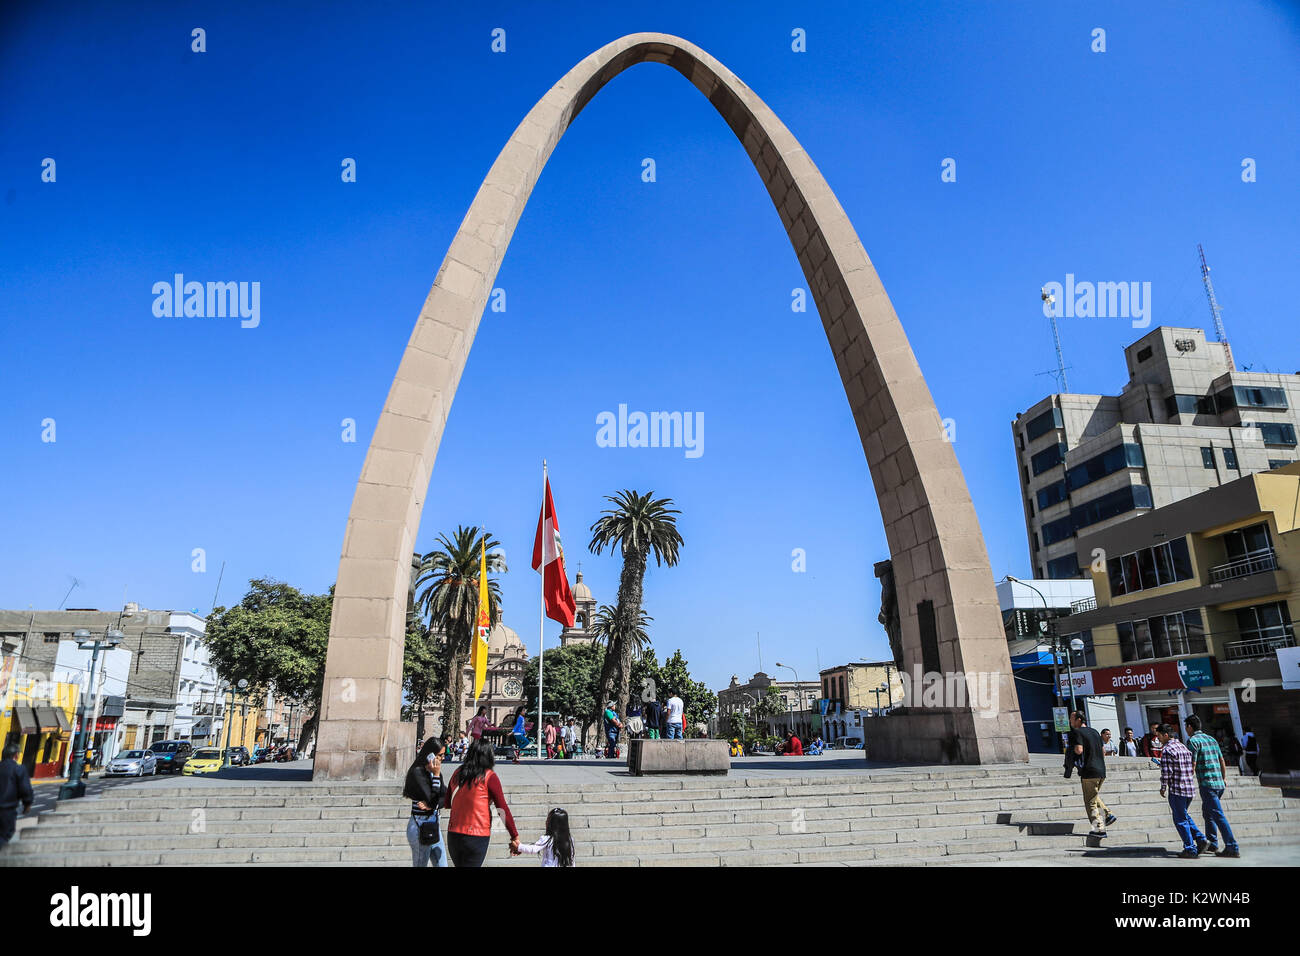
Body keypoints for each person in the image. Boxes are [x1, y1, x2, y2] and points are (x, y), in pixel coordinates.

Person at [444, 738, 519, 866]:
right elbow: (502, 808)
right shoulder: (489, 776)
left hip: (454, 833)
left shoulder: (457, 773)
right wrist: (514, 835)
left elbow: (447, 803)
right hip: (477, 835)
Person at [1185, 715, 1240, 858]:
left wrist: (1187, 779)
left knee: (1217, 815)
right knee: (1208, 812)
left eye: (1186, 727)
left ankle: (1232, 846)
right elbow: (1221, 759)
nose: (1186, 730)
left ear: (1190, 727)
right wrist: (1224, 778)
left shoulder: (1193, 741)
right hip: (1219, 783)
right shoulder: (1211, 739)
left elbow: (1192, 764)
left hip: (1207, 784)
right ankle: (1212, 842)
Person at [1156, 723, 1206, 858]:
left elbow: (1167, 772)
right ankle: (1200, 839)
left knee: (1180, 819)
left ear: (1166, 735)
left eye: (1159, 736)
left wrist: (1163, 787)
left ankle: (1190, 848)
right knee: (1183, 815)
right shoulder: (1183, 747)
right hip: (1189, 787)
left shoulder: (1167, 750)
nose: (1158, 739)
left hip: (1177, 789)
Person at [1064, 710, 1114, 838]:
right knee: (1093, 795)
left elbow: (1079, 750)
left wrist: (1072, 751)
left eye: (1072, 718)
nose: (1070, 721)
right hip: (1101, 770)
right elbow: (1103, 752)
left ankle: (1099, 829)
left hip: (1089, 771)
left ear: (1079, 720)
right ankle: (1108, 814)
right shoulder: (1095, 732)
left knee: (1090, 801)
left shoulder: (1077, 732)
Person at [402, 736, 449, 867]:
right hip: (419, 826)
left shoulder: (435, 773)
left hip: (433, 825)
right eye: (440, 755)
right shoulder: (417, 772)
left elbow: (446, 797)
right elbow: (433, 799)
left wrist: (431, 806)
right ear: (430, 755)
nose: (442, 758)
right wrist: (436, 775)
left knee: (442, 864)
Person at [512, 807, 576, 867]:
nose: (546, 822)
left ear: (552, 825)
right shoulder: (570, 840)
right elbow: (572, 860)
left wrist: (519, 846)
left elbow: (533, 849)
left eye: (548, 820)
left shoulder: (547, 839)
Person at [1, 743, 34, 846]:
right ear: (16, 755)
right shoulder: (18, 769)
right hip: (7, 810)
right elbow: (25, 789)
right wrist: (27, 804)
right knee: (4, 836)